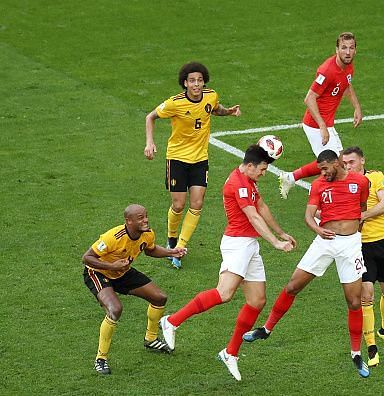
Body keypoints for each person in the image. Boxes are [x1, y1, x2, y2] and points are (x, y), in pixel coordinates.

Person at [159, 145, 296, 381]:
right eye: (262, 170)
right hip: (237, 245)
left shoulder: (249, 179)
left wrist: (281, 232)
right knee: (224, 293)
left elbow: (261, 207)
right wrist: (275, 242)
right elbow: (253, 216)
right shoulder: (238, 184)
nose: (264, 174)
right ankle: (171, 321)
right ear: (251, 166)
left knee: (257, 300)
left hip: (249, 245)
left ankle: (230, 352)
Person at [243, 150, 371, 378]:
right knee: (293, 286)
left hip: (350, 246)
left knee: (353, 301)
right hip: (324, 242)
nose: (322, 173)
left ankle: (356, 353)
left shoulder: (360, 182)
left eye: (325, 168)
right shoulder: (319, 185)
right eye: (319, 169)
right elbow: (309, 215)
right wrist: (317, 229)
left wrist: (353, 236)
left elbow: (361, 209)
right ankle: (266, 329)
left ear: (337, 163)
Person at [144, 61, 241, 268]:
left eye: (199, 80)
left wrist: (229, 111)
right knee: (178, 205)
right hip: (177, 158)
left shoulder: (211, 95)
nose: (196, 84)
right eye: (192, 81)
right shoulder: (175, 103)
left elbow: (213, 109)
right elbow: (150, 117)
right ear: (185, 83)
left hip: (200, 159)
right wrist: (150, 142)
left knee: (197, 204)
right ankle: (171, 239)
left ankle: (179, 247)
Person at [82, 204, 187, 375]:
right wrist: (111, 265)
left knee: (159, 298)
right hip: (98, 273)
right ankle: (101, 358)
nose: (145, 220)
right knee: (115, 309)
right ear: (128, 221)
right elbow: (86, 258)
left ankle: (150, 339)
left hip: (122, 272)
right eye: (140, 218)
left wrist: (172, 252)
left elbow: (150, 250)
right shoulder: (113, 237)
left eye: (146, 216)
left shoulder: (147, 234)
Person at [278, 32, 362, 199]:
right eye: (343, 48)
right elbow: (309, 98)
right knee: (334, 165)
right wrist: (322, 127)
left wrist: (357, 107)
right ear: (336, 49)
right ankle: (317, 199)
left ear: (355, 50)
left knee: (335, 162)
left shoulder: (348, 65)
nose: (347, 52)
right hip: (315, 125)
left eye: (351, 48)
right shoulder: (327, 70)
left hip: (326, 123)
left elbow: (346, 85)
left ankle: (290, 178)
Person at [342, 146, 384, 367]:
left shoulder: (376, 177)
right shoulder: (342, 185)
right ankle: (371, 346)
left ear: (362, 161)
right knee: (366, 295)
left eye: (351, 162)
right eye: (345, 163)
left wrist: (362, 215)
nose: (348, 166)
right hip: (359, 247)